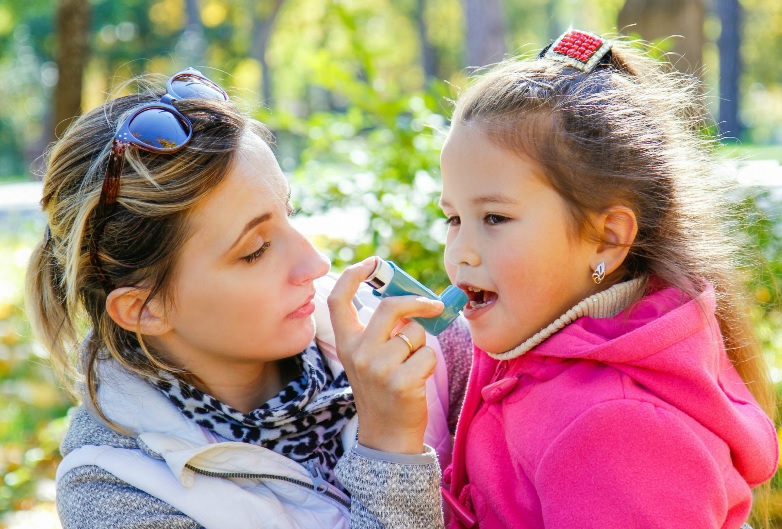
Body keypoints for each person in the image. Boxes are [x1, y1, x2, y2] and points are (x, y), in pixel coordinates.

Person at [329, 29, 779, 528]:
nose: (460, 252)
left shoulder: (618, 432)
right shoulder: (532, 338)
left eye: (495, 218)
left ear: (607, 238)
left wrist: (391, 450)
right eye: (453, 218)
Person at [25, 68, 472, 529]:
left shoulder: (411, 338)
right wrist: (389, 448)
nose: (317, 264)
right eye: (255, 251)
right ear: (144, 309)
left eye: (289, 213)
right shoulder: (118, 492)